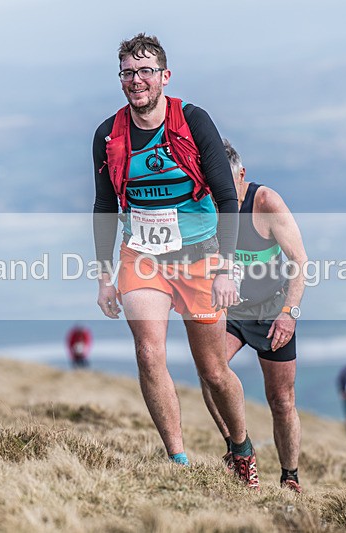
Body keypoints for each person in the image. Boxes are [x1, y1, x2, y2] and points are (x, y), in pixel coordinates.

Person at [92, 34, 258, 487]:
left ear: (165, 76)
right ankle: (178, 462)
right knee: (149, 354)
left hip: (200, 258)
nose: (136, 80)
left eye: (145, 71)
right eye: (128, 72)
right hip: (142, 257)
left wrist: (227, 267)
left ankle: (241, 448)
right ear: (120, 79)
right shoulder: (108, 134)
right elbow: (104, 206)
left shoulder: (193, 121)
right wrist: (105, 277)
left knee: (213, 371)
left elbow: (226, 197)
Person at [200, 139, 308, 492]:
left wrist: (289, 314)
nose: (221, 195)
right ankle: (237, 449)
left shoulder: (265, 203)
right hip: (231, 311)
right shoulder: (208, 203)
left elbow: (300, 262)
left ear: (242, 175)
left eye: (226, 185)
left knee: (281, 400)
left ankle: (290, 476)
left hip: (272, 311)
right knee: (210, 374)